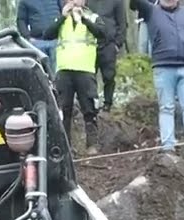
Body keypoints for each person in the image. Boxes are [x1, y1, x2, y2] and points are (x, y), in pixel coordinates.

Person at [130, 0, 184, 151]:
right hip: (163, 67)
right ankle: (168, 146)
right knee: (166, 107)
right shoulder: (150, 10)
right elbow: (134, 3)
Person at [44, 0, 106, 152]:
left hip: (85, 69)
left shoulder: (93, 17)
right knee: (64, 110)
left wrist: (83, 19)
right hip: (64, 70)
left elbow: (102, 34)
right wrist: (62, 17)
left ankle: (92, 145)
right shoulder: (61, 19)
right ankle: (66, 147)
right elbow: (47, 34)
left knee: (89, 108)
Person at [87, 0, 127, 112]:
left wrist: (117, 44)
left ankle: (107, 103)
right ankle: (91, 104)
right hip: (90, 44)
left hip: (109, 44)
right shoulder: (86, 2)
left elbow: (122, 23)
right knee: (89, 76)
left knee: (109, 76)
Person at [18, 0, 63, 74]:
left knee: (58, 72)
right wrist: (28, 38)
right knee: (42, 73)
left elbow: (63, 14)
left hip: (56, 41)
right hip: (37, 42)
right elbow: (21, 20)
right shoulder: (25, 1)